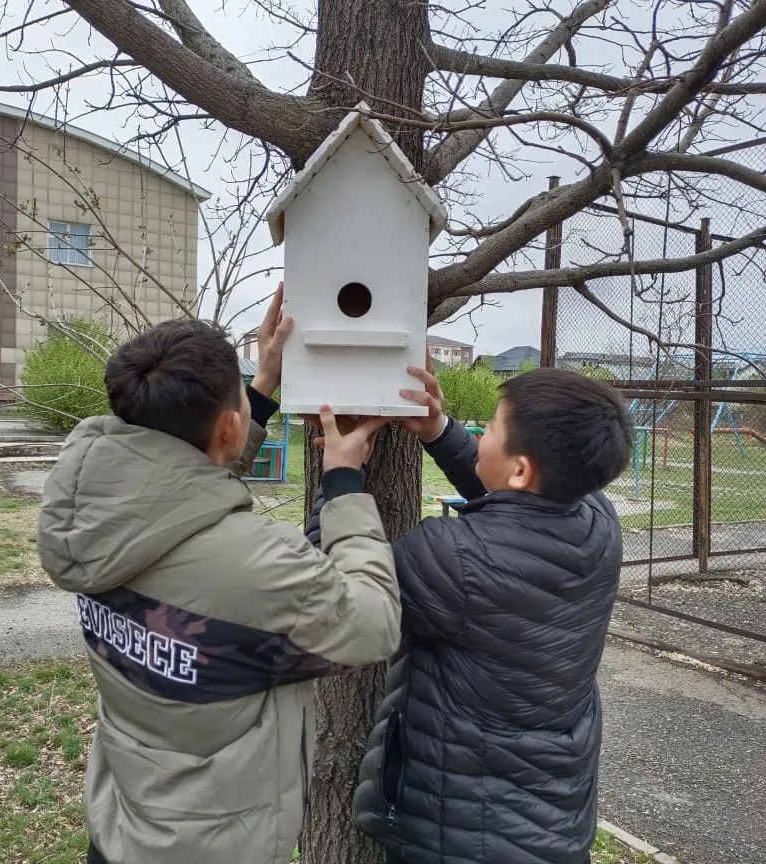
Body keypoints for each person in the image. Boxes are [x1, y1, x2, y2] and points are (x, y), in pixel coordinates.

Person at [37, 286, 401, 864]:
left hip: (122, 825)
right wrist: (344, 486)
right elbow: (374, 623)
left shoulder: (91, 516)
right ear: (230, 429)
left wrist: (257, 390)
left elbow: (178, 487)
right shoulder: (260, 565)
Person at [313, 357, 632, 864]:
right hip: (552, 826)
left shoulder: (452, 558)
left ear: (522, 467)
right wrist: (438, 431)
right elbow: (517, 498)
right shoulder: (597, 522)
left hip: (458, 835)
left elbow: (335, 602)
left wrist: (341, 483)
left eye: (492, 429)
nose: (480, 434)